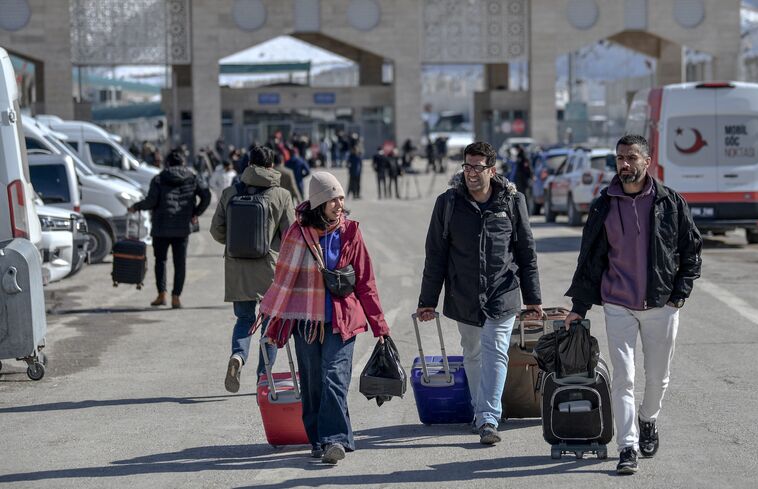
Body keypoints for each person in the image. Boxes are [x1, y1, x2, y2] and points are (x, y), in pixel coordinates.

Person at [564, 134, 702, 475]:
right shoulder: (604, 204)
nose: (624, 164)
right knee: (623, 378)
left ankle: (648, 419)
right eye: (619, 158)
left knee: (658, 377)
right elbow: (590, 259)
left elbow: (691, 250)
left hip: (661, 303)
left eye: (631, 158)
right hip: (617, 303)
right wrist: (579, 306)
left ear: (647, 162)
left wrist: (678, 295)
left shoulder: (670, 202)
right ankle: (628, 446)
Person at [259, 171, 390, 465]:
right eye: (333, 199)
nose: (339, 204)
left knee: (334, 378)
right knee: (313, 384)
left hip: (342, 321)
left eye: (341, 198)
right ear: (319, 202)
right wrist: (274, 321)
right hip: (306, 322)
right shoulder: (296, 234)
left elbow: (365, 281)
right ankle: (318, 439)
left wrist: (379, 325)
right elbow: (283, 281)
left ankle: (336, 440)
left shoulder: (350, 233)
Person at [417, 141, 543, 446]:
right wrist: (428, 301)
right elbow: (435, 255)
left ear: (492, 169)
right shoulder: (448, 204)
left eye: (478, 167)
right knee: (472, 352)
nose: (472, 173)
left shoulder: (512, 202)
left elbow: (526, 252)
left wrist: (533, 298)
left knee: (496, 349)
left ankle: (488, 417)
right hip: (464, 294)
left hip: (503, 292)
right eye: (467, 166)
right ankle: (479, 411)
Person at [209, 145, 294, 393]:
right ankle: (262, 377)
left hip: (237, 268)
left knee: (244, 318)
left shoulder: (230, 193)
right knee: (270, 323)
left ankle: (238, 356)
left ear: (248, 163)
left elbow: (216, 231)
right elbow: (290, 235)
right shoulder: (281, 195)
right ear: (271, 166)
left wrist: (236, 242)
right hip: (270, 268)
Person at [130, 150, 211, 309]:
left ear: (167, 163)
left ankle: (162, 295)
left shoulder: (159, 179)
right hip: (182, 228)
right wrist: (196, 213)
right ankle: (176, 297)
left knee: (161, 261)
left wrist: (136, 207)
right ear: (183, 163)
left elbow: (151, 201)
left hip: (161, 227)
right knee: (180, 263)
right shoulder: (192, 178)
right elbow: (207, 195)